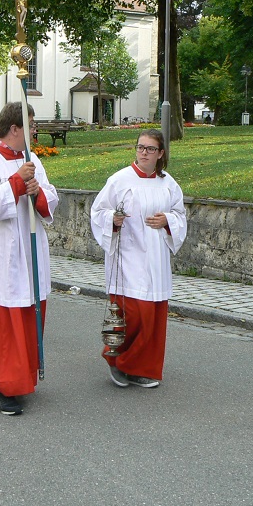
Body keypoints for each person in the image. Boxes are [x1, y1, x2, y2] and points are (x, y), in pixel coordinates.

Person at [0, 102, 59, 416]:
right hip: (2, 256)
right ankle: (6, 387)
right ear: (15, 129)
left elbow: (50, 198)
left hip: (31, 254)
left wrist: (37, 193)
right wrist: (19, 182)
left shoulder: (32, 160)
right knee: (8, 323)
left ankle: (22, 376)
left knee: (28, 316)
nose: (35, 131)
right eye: (31, 126)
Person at [90, 129, 187, 389]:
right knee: (133, 315)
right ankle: (118, 362)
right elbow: (98, 211)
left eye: (150, 149)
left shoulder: (168, 184)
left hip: (156, 259)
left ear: (161, 153)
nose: (144, 152)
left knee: (153, 318)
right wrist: (112, 219)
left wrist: (168, 220)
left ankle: (142, 368)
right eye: (140, 147)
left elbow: (180, 214)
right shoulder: (120, 180)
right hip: (128, 258)